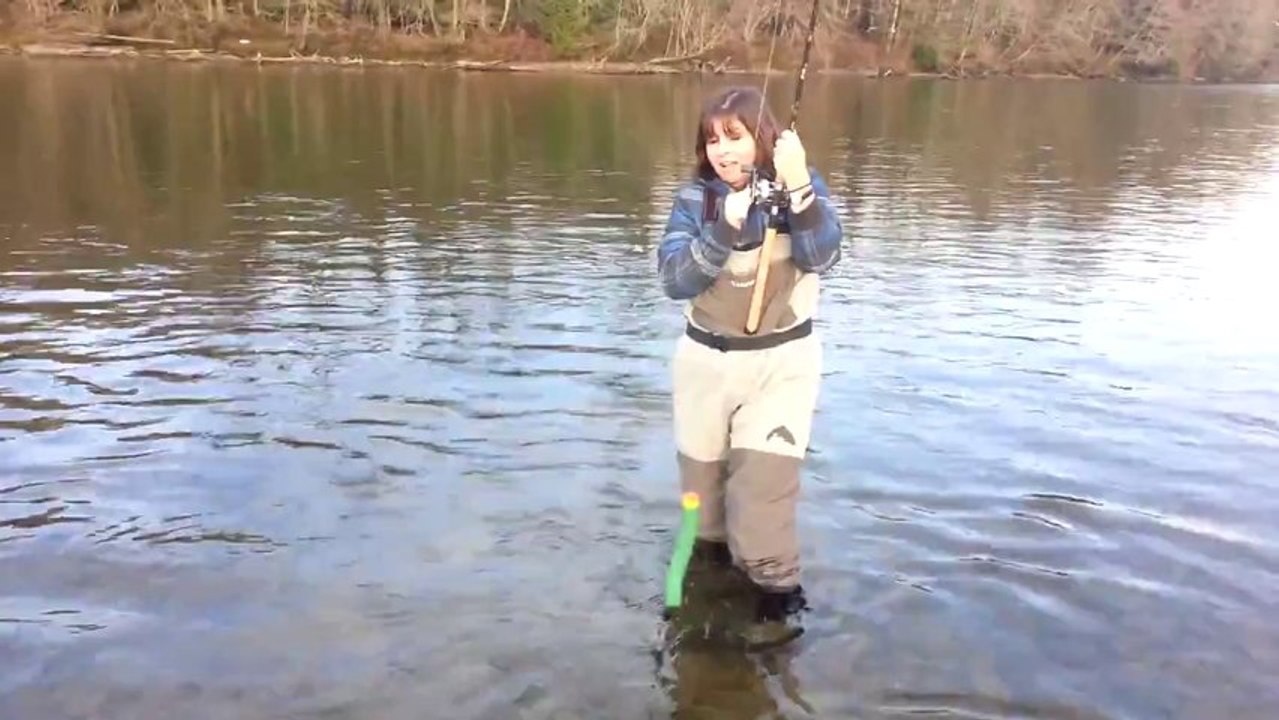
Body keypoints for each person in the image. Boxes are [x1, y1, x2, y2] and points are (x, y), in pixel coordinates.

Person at [656, 85, 843, 639]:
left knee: (760, 508)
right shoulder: (694, 201)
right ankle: (703, 622)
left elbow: (824, 255)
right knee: (703, 516)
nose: (722, 151)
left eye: (734, 137)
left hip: (780, 368)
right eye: (712, 140)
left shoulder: (801, 190)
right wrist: (723, 230)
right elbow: (674, 280)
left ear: (762, 139)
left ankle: (776, 629)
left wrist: (800, 186)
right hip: (704, 368)